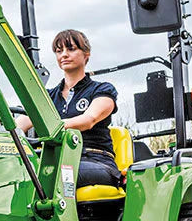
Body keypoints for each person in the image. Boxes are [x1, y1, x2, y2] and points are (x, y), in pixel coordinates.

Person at [14, 29, 122, 188]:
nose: (64, 54)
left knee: (56, 174)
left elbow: (88, 120)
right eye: (59, 51)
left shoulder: (102, 90)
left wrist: (50, 126)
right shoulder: (47, 97)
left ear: (86, 54)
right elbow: (20, 125)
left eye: (71, 49)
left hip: (95, 160)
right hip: (56, 160)